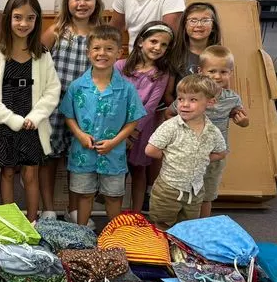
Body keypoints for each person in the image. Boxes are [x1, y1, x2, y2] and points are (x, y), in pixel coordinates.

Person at [0, 0, 61, 222]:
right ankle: (10, 221)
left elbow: (52, 90)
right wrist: (11, 119)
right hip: (6, 124)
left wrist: (34, 117)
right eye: (17, 17)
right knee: (7, 172)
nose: (23, 23)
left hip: (31, 126)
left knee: (31, 173)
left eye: (30, 18)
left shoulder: (41, 55)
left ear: (36, 21)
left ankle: (32, 221)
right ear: (8, 19)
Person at [59, 25, 146, 226]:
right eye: (97, 48)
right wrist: (80, 135)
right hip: (83, 152)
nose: (102, 53)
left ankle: (112, 236)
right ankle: (82, 233)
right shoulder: (77, 86)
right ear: (88, 52)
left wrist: (115, 141)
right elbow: (68, 115)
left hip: (114, 154)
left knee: (114, 196)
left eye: (108, 49)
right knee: (84, 194)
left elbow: (133, 119)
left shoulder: (126, 89)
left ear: (119, 52)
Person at [39, 0, 103, 223]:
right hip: (55, 105)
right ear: (67, 1)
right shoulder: (57, 31)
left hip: (84, 108)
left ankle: (74, 208)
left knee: (78, 160)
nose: (82, 3)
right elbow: (38, 61)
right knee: (50, 156)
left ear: (96, 1)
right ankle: (47, 208)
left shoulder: (99, 35)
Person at [144, 74, 227, 228]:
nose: (184, 104)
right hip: (168, 189)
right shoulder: (170, 127)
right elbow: (151, 150)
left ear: (210, 102)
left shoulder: (212, 131)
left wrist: (201, 158)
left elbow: (221, 152)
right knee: (162, 226)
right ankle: (161, 251)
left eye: (193, 100)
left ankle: (180, 251)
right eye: (181, 99)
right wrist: (172, 156)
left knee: (188, 228)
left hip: (195, 191)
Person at [115, 21, 176, 213]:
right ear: (141, 42)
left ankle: (136, 214)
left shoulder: (161, 73)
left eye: (164, 45)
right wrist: (123, 132)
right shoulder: (120, 66)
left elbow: (150, 106)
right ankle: (116, 215)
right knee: (117, 172)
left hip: (142, 129)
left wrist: (134, 133)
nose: (158, 47)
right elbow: (115, 97)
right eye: (154, 41)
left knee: (139, 170)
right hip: (118, 128)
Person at [196, 45, 249, 217]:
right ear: (200, 71)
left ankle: (203, 228)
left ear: (230, 73)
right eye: (212, 71)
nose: (217, 76)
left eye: (223, 72)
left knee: (207, 195)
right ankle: (183, 230)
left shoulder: (232, 99)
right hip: (190, 152)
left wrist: (244, 121)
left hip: (215, 155)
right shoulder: (192, 95)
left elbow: (242, 119)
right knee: (187, 193)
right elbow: (170, 113)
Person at [171, 1, 223, 76]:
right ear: (184, 25)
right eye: (193, 21)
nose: (199, 25)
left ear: (213, 26)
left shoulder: (220, 56)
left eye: (205, 20)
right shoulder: (175, 55)